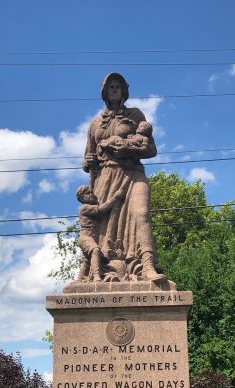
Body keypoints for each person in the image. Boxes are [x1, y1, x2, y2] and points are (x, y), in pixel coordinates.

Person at [81, 72, 165, 282]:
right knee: (101, 229)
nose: (115, 89)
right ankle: (99, 271)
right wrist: (88, 162)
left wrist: (127, 149)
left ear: (124, 90)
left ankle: (147, 267)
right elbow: (87, 159)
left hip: (132, 174)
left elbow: (151, 149)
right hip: (105, 178)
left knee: (141, 214)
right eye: (111, 86)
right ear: (105, 92)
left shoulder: (136, 115)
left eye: (118, 86)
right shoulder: (95, 123)